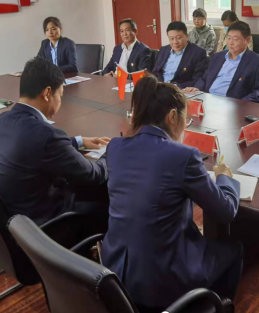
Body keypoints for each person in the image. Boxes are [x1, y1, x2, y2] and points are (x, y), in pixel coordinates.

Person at [102, 74, 243, 311]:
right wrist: (224, 177)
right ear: (172, 117)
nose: (185, 127)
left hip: (114, 273)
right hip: (161, 280)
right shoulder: (183, 156)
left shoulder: (115, 146)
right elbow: (226, 211)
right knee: (233, 249)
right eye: (186, 120)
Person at [0, 57, 109, 226]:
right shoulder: (46, 135)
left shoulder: (1, 120)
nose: (60, 101)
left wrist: (79, 141)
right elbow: (94, 175)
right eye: (60, 95)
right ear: (47, 93)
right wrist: (111, 152)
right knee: (107, 200)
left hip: (11, 220)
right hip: (42, 224)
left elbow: (32, 145)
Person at [185, 21, 259, 102]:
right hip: (207, 99)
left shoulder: (258, 62)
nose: (230, 43)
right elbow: (205, 79)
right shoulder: (217, 57)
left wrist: (242, 103)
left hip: (232, 104)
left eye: (235, 39)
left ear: (247, 40)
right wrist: (197, 88)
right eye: (229, 38)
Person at [152, 21, 208, 89]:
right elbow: (155, 72)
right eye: (171, 38)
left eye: (178, 38)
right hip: (159, 87)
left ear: (187, 36)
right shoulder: (164, 50)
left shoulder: (198, 53)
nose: (175, 42)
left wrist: (176, 86)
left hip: (179, 90)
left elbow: (198, 79)